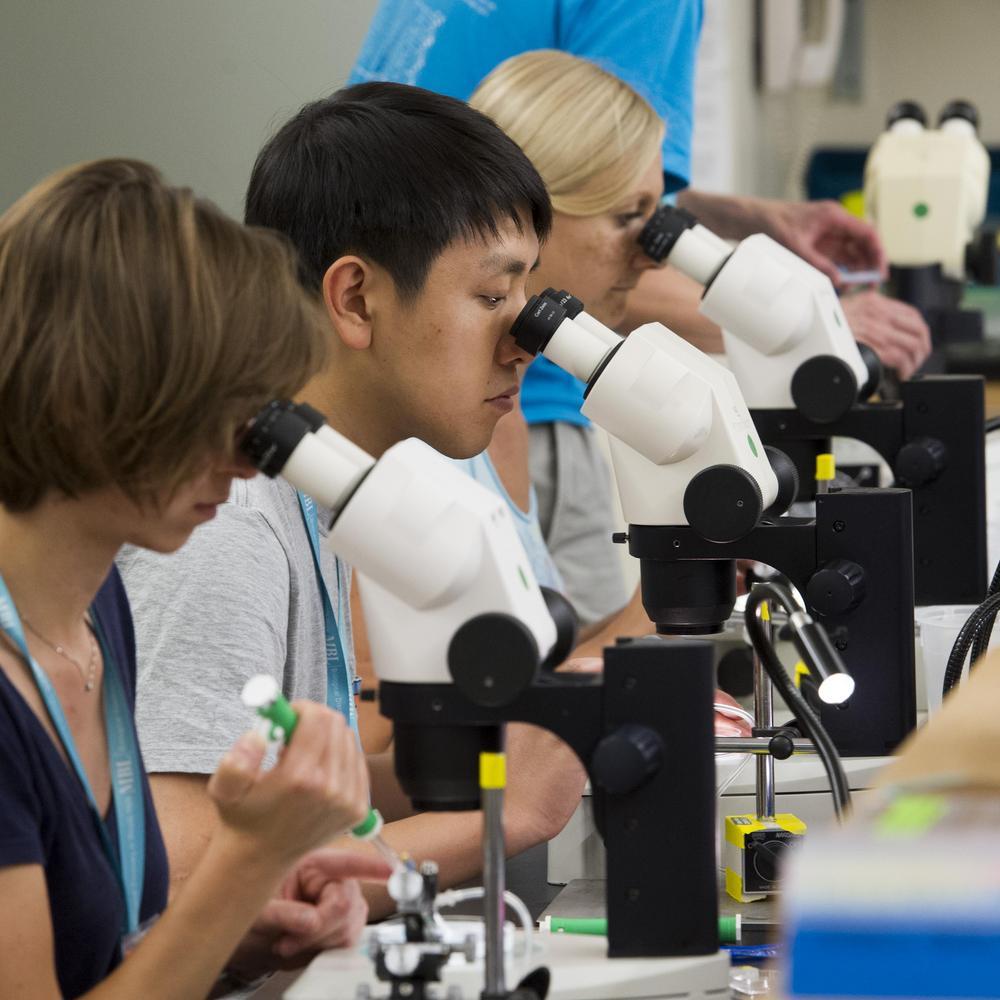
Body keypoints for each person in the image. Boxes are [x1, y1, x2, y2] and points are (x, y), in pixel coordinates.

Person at [118, 83, 595, 925]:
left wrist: (463, 766)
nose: (524, 342)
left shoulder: (324, 492)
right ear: (355, 299)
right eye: (492, 297)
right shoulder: (229, 523)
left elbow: (277, 809)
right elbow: (187, 890)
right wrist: (501, 818)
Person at [350, 0, 932, 623]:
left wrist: (659, 600)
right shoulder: (431, 434)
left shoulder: (494, 414)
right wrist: (796, 329)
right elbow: (410, 682)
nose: (651, 255)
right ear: (526, 213)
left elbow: (543, 662)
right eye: (631, 218)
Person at [0, 158, 383, 999]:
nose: (252, 463)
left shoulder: (94, 610)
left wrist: (246, 928)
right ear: (93, 395)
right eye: (226, 412)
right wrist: (245, 860)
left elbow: (98, 963)